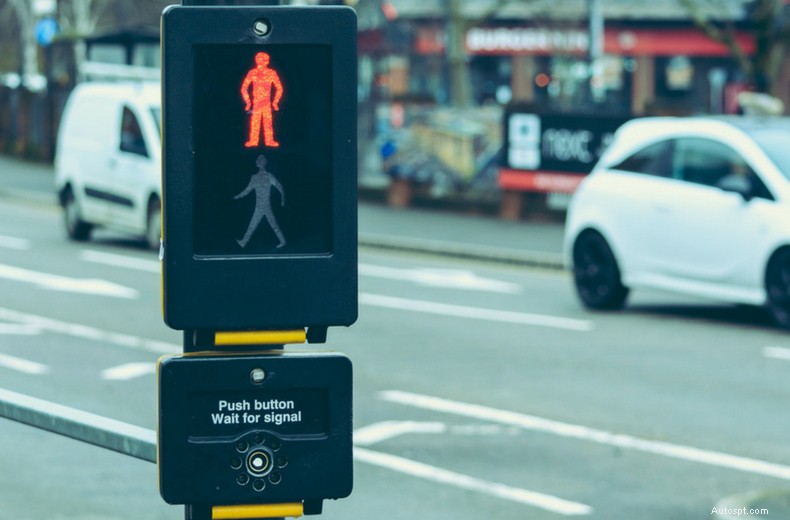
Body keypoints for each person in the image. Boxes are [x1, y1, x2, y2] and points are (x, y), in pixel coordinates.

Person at [235, 154, 286, 249]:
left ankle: (243, 242)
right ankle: (243, 242)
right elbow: (247, 190)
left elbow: (280, 187)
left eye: (259, 160)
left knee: (270, 224)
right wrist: (238, 196)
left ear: (262, 163)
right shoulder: (255, 177)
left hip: (265, 206)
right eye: (258, 160)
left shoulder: (269, 176)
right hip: (259, 207)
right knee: (257, 225)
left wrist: (282, 199)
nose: (257, 162)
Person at [241, 52, 283, 148]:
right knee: (258, 122)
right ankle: (255, 141)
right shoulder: (253, 73)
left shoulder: (271, 73)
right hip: (258, 103)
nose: (260, 62)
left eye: (262, 60)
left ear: (267, 61)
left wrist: (275, 102)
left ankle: (265, 141)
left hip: (265, 103)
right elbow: (244, 88)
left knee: (266, 122)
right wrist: (248, 102)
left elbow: (279, 88)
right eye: (259, 59)